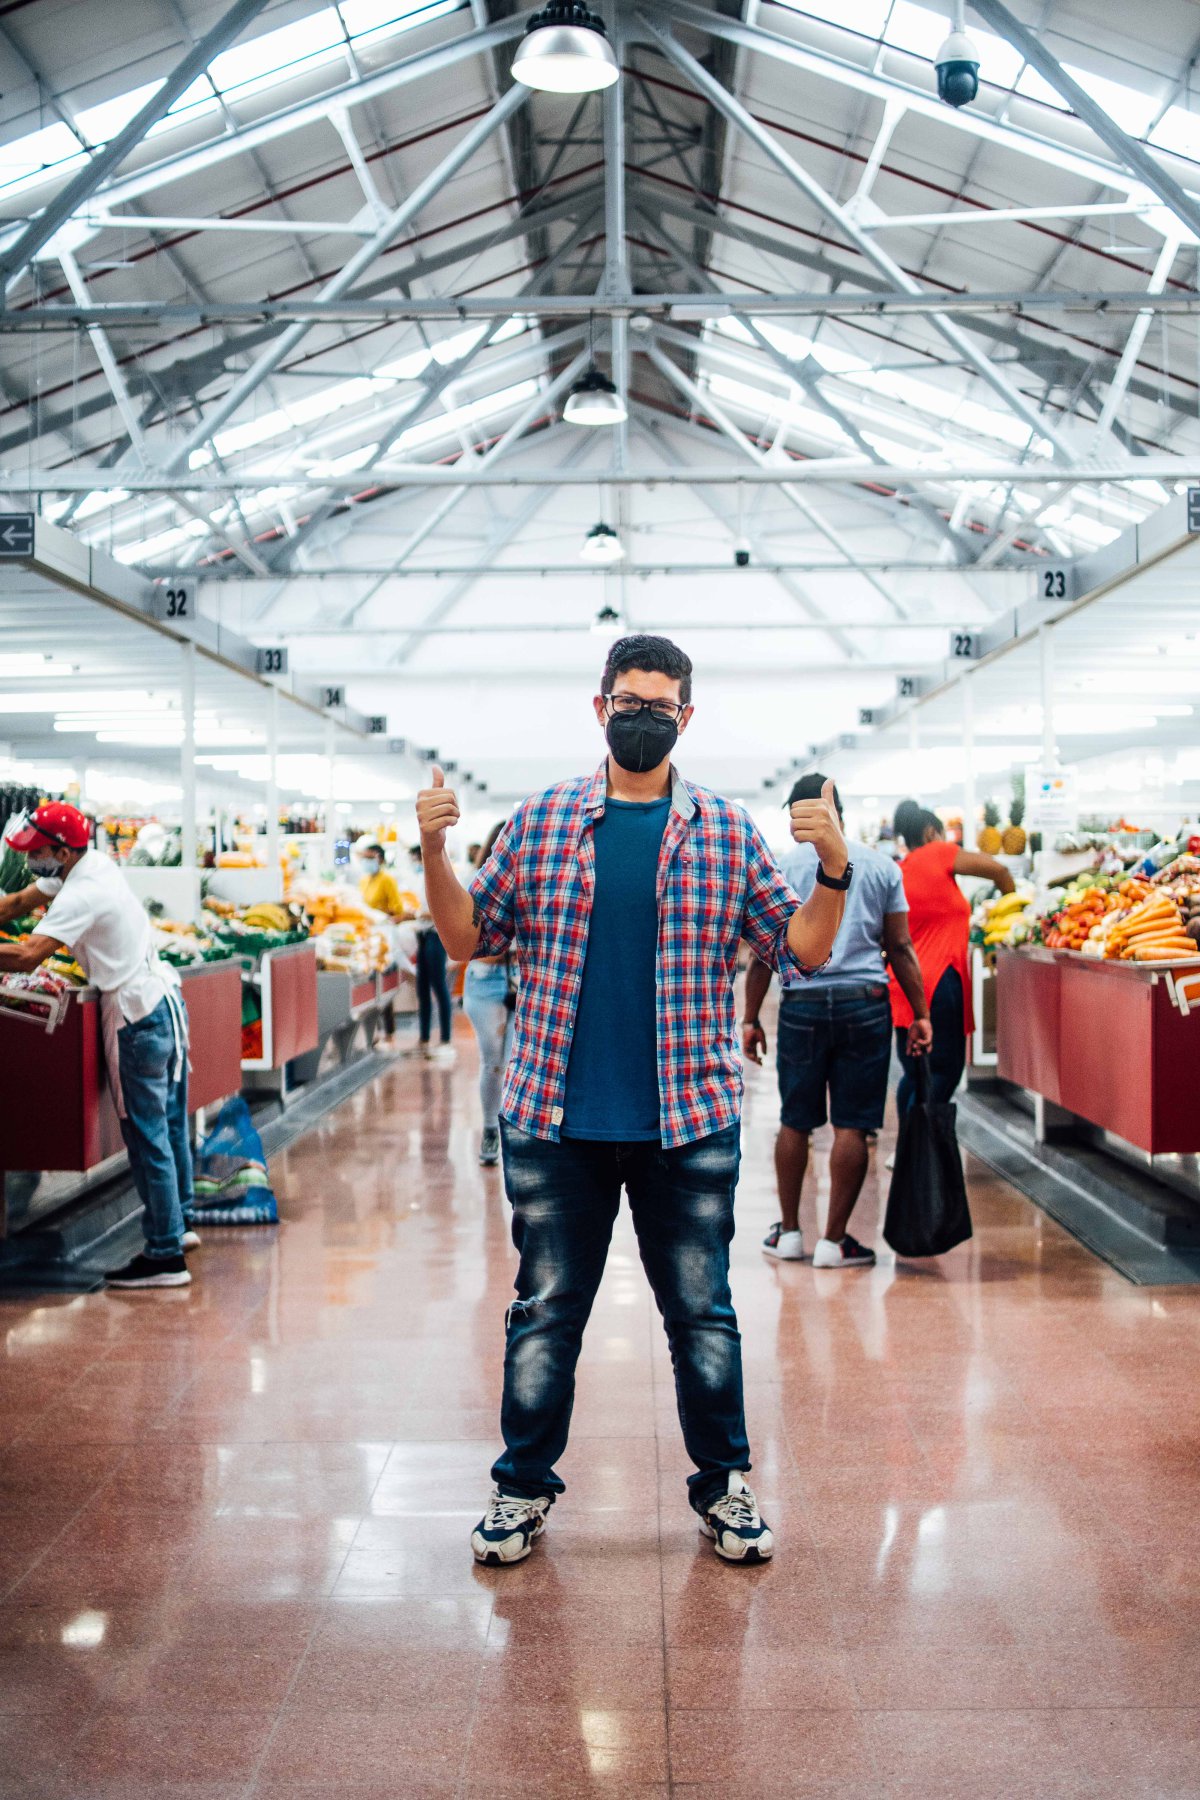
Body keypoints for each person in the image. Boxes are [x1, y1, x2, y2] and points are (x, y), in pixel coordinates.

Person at [416, 633, 850, 1569]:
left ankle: (725, 1485)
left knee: (702, 1315)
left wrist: (837, 871)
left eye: (660, 706)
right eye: (629, 701)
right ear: (601, 705)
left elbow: (803, 952)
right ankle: (521, 1489)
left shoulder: (727, 833)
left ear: (685, 717)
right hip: (553, 1120)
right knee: (543, 1311)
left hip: (686, 1121)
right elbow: (467, 938)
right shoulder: (541, 824)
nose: (642, 718)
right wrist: (434, 850)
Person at [0, 804, 197, 1289]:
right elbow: (17, 903)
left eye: (36, 852)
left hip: (137, 1016)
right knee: (169, 1125)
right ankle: (180, 1223)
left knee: (147, 1134)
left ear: (61, 851)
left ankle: (165, 1255)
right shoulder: (90, 865)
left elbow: (27, 956)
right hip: (162, 1003)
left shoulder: (81, 893)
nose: (31, 861)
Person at [743, 774, 932, 1270]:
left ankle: (788, 1234)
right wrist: (920, 1013)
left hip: (803, 1002)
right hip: (864, 1002)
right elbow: (901, 948)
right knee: (852, 1123)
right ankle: (833, 1240)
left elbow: (765, 953)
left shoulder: (783, 867)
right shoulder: (882, 865)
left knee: (795, 1118)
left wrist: (749, 1018)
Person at [891, 807, 1015, 1112]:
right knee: (944, 1073)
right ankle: (926, 1150)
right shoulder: (937, 851)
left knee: (915, 1075)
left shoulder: (901, 869)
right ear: (931, 833)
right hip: (939, 983)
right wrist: (1013, 911)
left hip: (903, 984)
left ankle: (910, 1153)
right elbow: (999, 871)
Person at [461, 823, 516, 1168]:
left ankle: (510, 1133)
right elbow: (475, 947)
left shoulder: (532, 882)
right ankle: (489, 1128)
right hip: (485, 981)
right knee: (492, 1061)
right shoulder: (474, 886)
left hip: (522, 981)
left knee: (514, 1060)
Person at [407, 843, 454, 1064]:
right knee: (422, 988)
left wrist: (419, 914)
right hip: (422, 937)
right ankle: (424, 1037)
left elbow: (442, 909)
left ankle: (445, 1037)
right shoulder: (419, 881)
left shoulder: (440, 878)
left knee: (439, 987)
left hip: (436, 937)